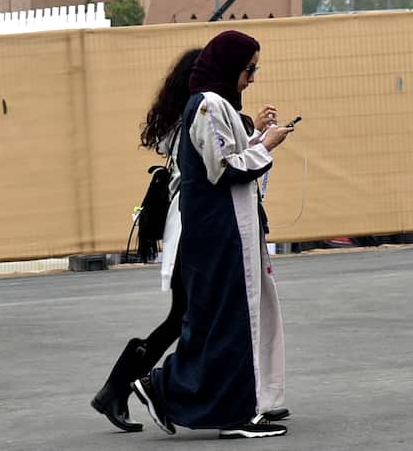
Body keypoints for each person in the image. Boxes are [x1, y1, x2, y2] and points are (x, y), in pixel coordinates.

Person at [92, 47, 287, 431]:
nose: (250, 78)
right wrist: (262, 142)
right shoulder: (203, 112)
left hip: (200, 226)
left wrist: (255, 132)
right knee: (197, 318)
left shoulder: (199, 112)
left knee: (194, 317)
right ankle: (146, 387)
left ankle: (143, 389)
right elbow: (225, 165)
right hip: (204, 229)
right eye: (247, 69)